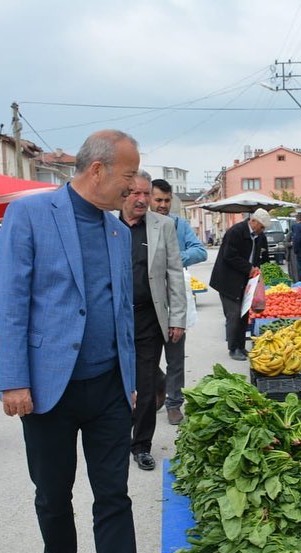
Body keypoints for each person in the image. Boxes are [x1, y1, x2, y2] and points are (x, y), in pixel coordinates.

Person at [0, 129, 159, 553]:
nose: (135, 188)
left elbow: (121, 313)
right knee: (52, 491)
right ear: (98, 171)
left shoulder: (115, 230)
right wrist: (14, 380)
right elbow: (12, 301)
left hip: (107, 386)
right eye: (129, 176)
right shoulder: (30, 214)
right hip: (48, 389)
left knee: (114, 493)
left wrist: (130, 380)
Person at [120, 173, 186, 471]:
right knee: (116, 384)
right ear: (123, 194)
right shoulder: (105, 225)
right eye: (135, 193)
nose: (142, 200)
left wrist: (178, 318)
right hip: (112, 320)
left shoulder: (163, 226)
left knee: (145, 385)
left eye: (146, 194)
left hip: (148, 317)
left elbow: (174, 273)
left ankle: (141, 445)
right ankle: (116, 439)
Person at [150, 178, 206, 426]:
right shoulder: (140, 225)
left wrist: (174, 259)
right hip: (147, 305)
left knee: (175, 357)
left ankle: (174, 404)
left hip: (174, 302)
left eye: (166, 200)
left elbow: (200, 251)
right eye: (158, 200)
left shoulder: (179, 225)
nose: (163, 205)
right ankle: (158, 383)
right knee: (145, 360)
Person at [208, 208, 270, 361]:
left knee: (244, 314)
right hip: (228, 281)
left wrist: (256, 272)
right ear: (253, 221)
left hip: (245, 281)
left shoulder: (259, 236)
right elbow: (229, 256)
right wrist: (249, 268)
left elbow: (258, 258)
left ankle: (241, 346)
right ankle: (233, 348)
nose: (262, 231)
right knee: (234, 314)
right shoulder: (235, 232)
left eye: (263, 229)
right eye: (261, 227)